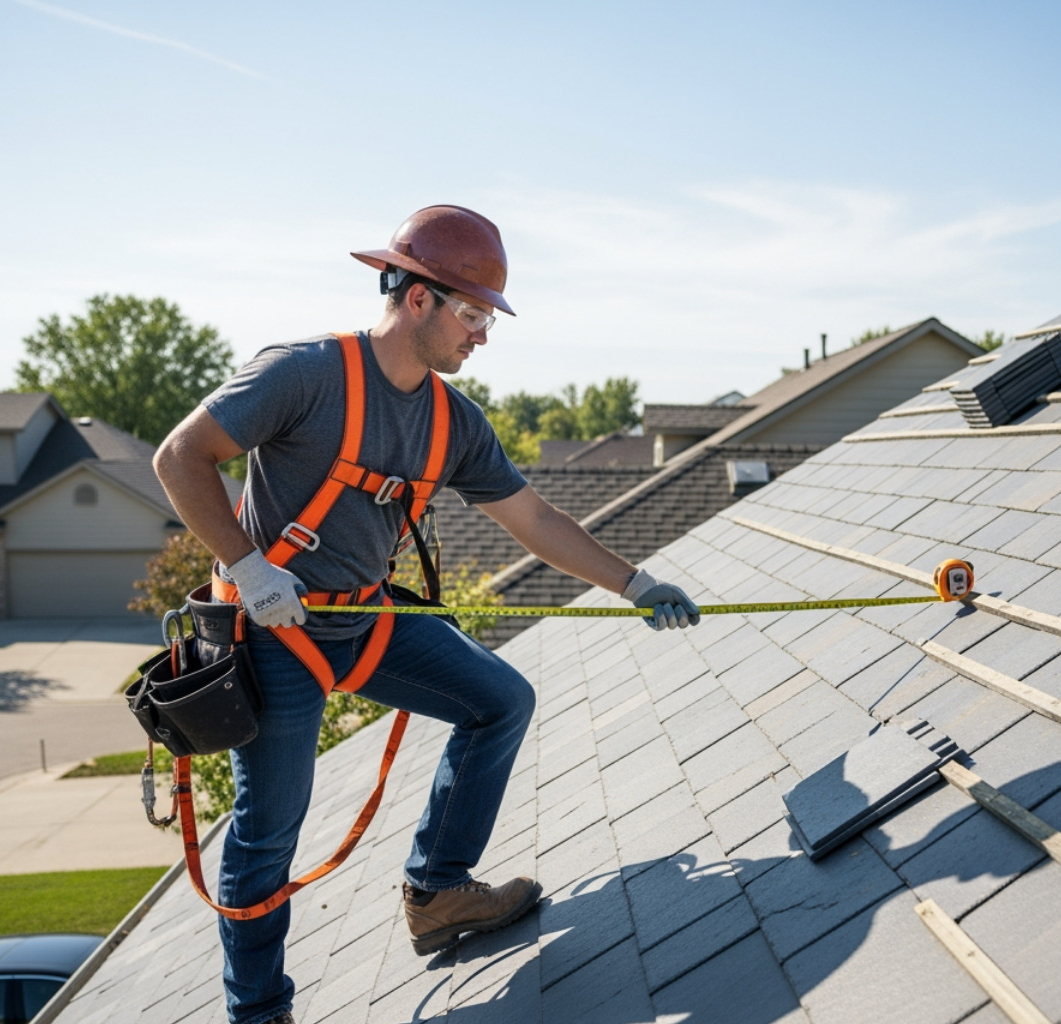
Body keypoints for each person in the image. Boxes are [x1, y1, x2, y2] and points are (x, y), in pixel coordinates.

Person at [152, 205, 702, 1024]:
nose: (483, 335)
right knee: (269, 833)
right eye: (474, 314)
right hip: (273, 635)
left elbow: (536, 521)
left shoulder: (454, 422)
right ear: (418, 298)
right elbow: (179, 458)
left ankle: (439, 892)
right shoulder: (304, 375)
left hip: (363, 623)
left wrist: (635, 582)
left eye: (488, 317)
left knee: (501, 700)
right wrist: (247, 565)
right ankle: (259, 1013)